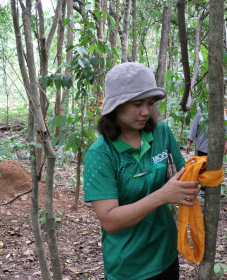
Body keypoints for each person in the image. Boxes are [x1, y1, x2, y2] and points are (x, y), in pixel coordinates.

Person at [83, 62, 200, 280]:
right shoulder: (101, 154)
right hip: (128, 266)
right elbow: (110, 220)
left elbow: (183, 176)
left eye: (150, 103)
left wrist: (200, 170)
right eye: (137, 104)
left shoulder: (161, 133)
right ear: (116, 105)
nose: (146, 112)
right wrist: (162, 196)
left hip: (165, 254)